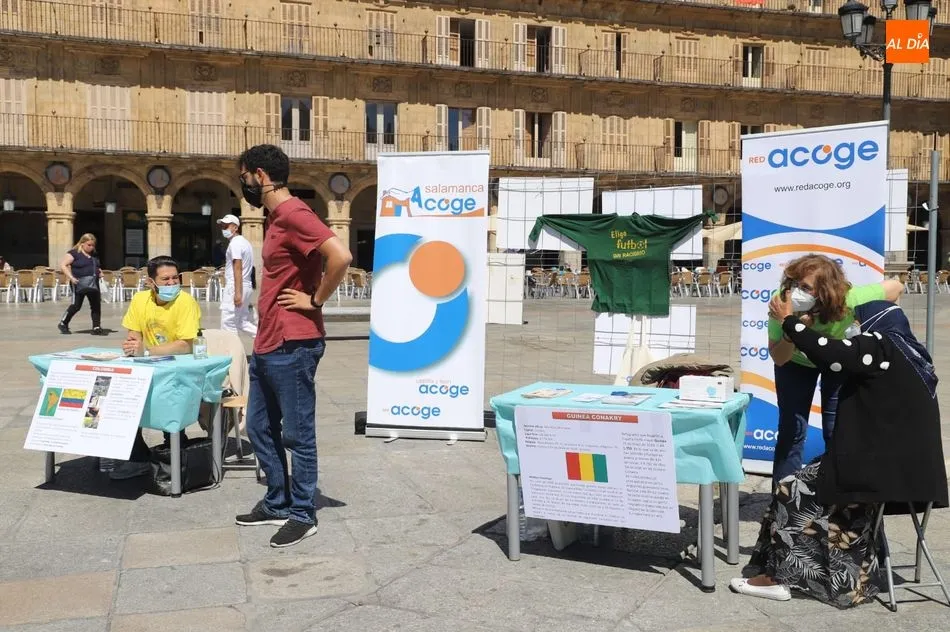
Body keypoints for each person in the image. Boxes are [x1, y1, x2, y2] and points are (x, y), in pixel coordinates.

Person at [732, 299, 948, 607]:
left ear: (875, 322)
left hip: (878, 474)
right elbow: (832, 356)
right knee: (809, 478)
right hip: (913, 475)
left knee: (790, 488)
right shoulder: (912, 353)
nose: (855, 328)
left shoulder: (880, 345)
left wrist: (790, 322)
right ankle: (772, 569)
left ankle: (780, 578)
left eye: (858, 322)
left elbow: (831, 353)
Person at [233, 144, 352, 548]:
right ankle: (277, 501)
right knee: (259, 427)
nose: (243, 184)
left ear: (260, 176)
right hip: (269, 341)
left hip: (294, 342)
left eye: (244, 176)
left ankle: (303, 512)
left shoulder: (294, 213)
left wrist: (315, 300)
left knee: (297, 435)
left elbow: (340, 255)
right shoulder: (276, 218)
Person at [766, 255, 903, 484]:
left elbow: (896, 286)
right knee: (792, 430)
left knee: (836, 429)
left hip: (836, 361)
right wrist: (793, 329)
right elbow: (779, 358)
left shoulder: (850, 299)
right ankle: (783, 503)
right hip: (796, 364)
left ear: (825, 291)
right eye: (793, 283)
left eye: (805, 287)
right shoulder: (781, 304)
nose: (794, 291)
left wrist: (872, 325)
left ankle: (839, 499)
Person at [109, 255, 202, 480]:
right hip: (146, 364)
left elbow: (185, 344)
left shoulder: (185, 302)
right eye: (165, 279)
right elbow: (134, 335)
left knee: (168, 400)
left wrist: (148, 351)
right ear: (151, 282)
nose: (172, 284)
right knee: (120, 394)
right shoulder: (140, 300)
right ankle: (136, 455)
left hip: (177, 367)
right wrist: (134, 346)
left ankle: (175, 451)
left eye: (174, 278)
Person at [216, 213, 258, 337]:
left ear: (235, 227)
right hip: (246, 285)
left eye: (226, 226)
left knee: (228, 323)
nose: (223, 229)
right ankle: (268, 342)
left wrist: (237, 292)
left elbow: (238, 267)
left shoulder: (235, 243)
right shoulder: (245, 242)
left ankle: (231, 352)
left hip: (236, 286)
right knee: (241, 322)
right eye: (222, 226)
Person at [58, 234, 105, 335]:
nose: (91, 247)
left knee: (96, 305)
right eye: (89, 245)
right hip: (78, 283)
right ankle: (63, 323)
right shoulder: (74, 253)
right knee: (76, 305)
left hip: (93, 283)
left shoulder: (94, 255)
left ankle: (96, 327)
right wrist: (71, 277)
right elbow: (63, 265)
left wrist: (100, 272)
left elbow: (96, 266)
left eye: (93, 245)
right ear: (82, 243)